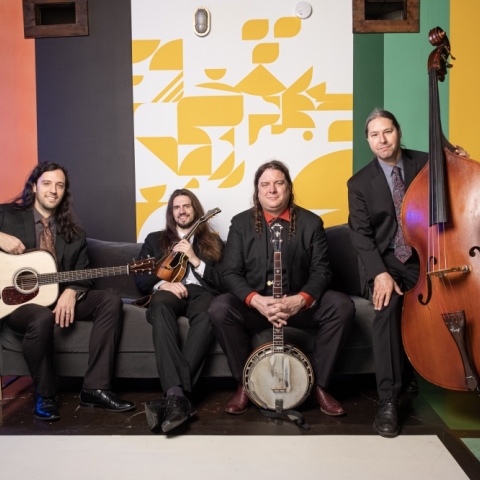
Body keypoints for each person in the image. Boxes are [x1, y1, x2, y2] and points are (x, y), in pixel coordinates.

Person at [347, 108, 467, 438]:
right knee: (385, 308)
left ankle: (461, 372)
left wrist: (460, 163)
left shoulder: (429, 162)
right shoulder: (358, 183)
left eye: (387, 131)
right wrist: (380, 274)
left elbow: (462, 189)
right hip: (386, 261)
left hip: (427, 255)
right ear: (368, 140)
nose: (382, 139)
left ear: (398, 132)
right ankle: (388, 399)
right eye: (374, 134)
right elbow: (360, 234)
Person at [209, 160, 355, 416]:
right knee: (220, 308)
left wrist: (300, 300)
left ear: (289, 188)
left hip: (298, 307)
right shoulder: (241, 224)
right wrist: (256, 300)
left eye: (278, 183)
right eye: (265, 184)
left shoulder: (311, 223)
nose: (272, 189)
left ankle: (320, 384)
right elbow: (229, 273)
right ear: (257, 191)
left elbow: (322, 271)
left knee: (342, 306)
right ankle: (245, 383)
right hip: (256, 308)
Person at [0, 162, 135, 421]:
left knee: (109, 300)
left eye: (59, 185)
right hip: (17, 304)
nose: (53, 190)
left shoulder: (74, 234)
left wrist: (71, 290)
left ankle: (96, 388)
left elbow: (83, 274)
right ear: (34, 186)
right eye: (47, 183)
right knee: (41, 316)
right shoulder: (7, 216)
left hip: (58, 297)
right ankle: (46, 395)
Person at [135, 189, 224, 433]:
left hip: (201, 293)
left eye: (186, 206)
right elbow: (141, 277)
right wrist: (163, 284)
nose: (182, 211)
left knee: (209, 314)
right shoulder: (155, 239)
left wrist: (195, 259)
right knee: (160, 305)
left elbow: (223, 281)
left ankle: (173, 398)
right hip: (168, 292)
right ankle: (180, 397)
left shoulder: (213, 241)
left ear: (195, 209)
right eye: (176, 207)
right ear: (171, 212)